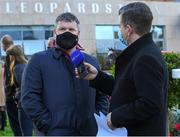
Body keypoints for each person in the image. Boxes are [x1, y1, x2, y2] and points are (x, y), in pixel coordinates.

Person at [76, 2, 168, 136]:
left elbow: (150, 103)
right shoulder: (141, 52)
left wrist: (116, 117)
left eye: (120, 26)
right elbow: (127, 90)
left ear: (129, 29)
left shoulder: (145, 57)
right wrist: (97, 77)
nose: (120, 30)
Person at [21, 12, 108, 136]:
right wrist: (47, 124)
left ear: (78, 33)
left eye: (71, 29)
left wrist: (97, 119)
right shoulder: (38, 60)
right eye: (62, 29)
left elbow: (102, 95)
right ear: (54, 32)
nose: (67, 32)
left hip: (89, 132)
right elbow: (29, 98)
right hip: (53, 132)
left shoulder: (91, 61)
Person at [6, 45, 33, 136]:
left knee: (25, 132)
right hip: (30, 102)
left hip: (24, 103)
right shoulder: (27, 64)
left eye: (10, 55)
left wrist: (17, 96)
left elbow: (24, 87)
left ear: (13, 56)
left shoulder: (17, 67)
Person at [1, 35, 22, 136]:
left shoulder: (10, 55)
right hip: (19, 96)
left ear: (4, 45)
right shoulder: (20, 53)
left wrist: (8, 95)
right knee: (20, 124)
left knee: (15, 125)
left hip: (13, 97)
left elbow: (10, 79)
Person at [0, 60, 6, 131]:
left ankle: (2, 125)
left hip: (1, 90)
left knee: (1, 108)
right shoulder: (3, 70)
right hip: (3, 90)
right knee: (2, 108)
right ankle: (3, 125)